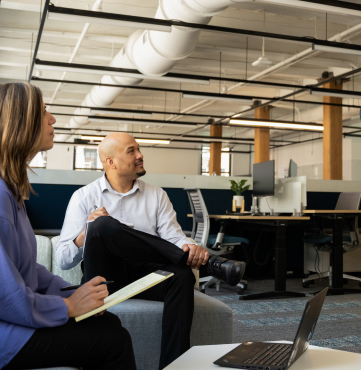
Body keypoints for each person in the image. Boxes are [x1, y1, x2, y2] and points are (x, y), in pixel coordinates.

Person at [0, 83, 137, 370]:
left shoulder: (7, 190)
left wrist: (72, 291)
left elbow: (23, 268)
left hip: (2, 319)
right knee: (112, 339)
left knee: (107, 323)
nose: (52, 119)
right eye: (44, 112)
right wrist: (69, 306)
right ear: (17, 124)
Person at [56, 132, 246, 368]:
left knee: (183, 275)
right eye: (131, 151)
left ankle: (175, 366)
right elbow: (63, 259)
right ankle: (210, 266)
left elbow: (174, 238)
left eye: (139, 149)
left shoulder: (157, 195)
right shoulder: (83, 196)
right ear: (110, 162)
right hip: (104, 277)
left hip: (144, 274)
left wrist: (192, 248)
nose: (140, 155)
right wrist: (86, 232)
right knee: (102, 225)